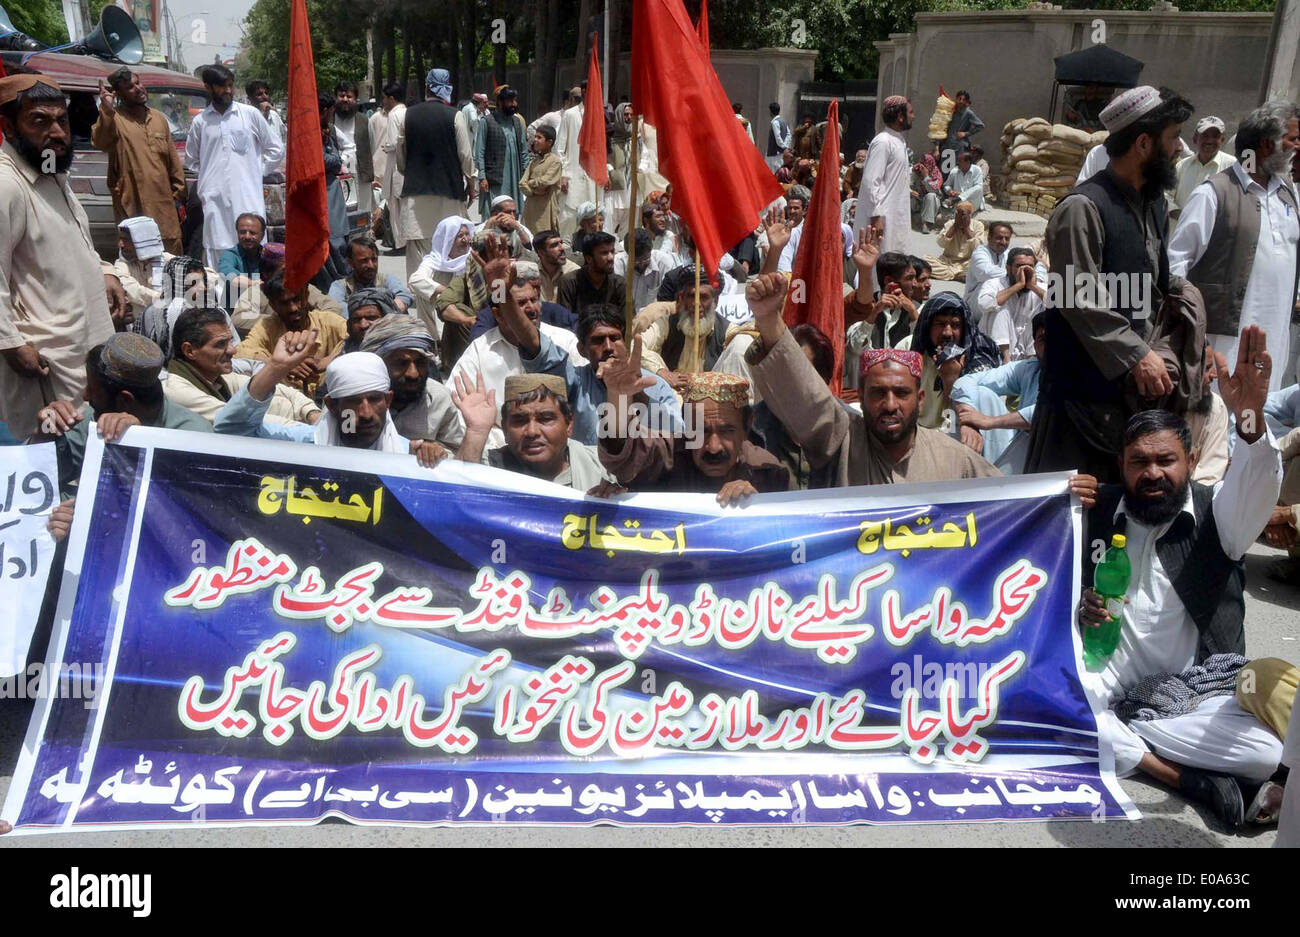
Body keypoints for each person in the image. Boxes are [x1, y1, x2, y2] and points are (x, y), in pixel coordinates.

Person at [1079, 331, 1284, 830]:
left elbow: (1258, 487)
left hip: (1195, 693)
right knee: (1058, 701)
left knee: (1261, 753)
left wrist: (1250, 423)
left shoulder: (1221, 515)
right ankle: (1180, 776)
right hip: (1109, 680)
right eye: (1139, 463)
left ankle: (1138, 742)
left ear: (1190, 463)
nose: (1153, 474)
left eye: (1165, 461)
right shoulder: (1097, 506)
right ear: (1121, 467)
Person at [1026, 86, 1192, 482]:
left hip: (1128, 402)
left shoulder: (1151, 204)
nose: (1180, 149)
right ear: (1143, 143)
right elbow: (1076, 297)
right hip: (1079, 405)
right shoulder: (1082, 208)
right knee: (1075, 518)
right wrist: (1136, 355)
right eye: (1172, 139)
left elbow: (1152, 286)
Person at [745, 273, 1000, 485]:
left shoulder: (953, 458)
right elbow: (804, 392)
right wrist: (769, 319)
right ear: (861, 397)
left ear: (920, 399)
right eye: (878, 393)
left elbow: (1011, 504)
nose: (890, 405)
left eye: (902, 393)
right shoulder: (842, 441)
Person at [0, 72, 119, 441]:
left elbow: (74, 238)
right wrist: (11, 344)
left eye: (62, 120)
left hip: (87, 344)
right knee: (56, 450)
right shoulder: (7, 185)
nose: (56, 132)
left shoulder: (50, 171)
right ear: (7, 125)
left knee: (90, 440)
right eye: (40, 121)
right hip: (49, 359)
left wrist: (106, 271)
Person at [1169, 101, 1299, 395]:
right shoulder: (1214, 193)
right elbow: (1176, 265)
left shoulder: (1288, 194)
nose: (1297, 147)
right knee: (1220, 419)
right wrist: (1189, 333)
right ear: (1267, 144)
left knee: (1262, 417)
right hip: (1223, 341)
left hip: (1275, 336)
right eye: (1293, 139)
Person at [216, 330, 444, 463]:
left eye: (374, 399)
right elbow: (230, 432)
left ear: (388, 401)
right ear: (332, 405)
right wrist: (276, 368)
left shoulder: (409, 456)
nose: (365, 413)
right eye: (353, 402)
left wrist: (435, 458)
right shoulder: (302, 444)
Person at [34, 333, 211, 496]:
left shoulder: (195, 438)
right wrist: (45, 434)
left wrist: (138, 441)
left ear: (125, 400)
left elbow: (182, 509)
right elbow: (47, 480)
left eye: (92, 389)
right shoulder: (93, 419)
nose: (85, 396)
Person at [598, 360, 792, 503]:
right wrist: (618, 399)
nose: (714, 447)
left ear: (747, 426)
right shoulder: (667, 455)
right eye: (701, 431)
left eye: (727, 431)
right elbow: (620, 452)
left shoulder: (768, 472)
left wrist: (757, 506)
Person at [447, 257, 585, 436]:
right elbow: (455, 406)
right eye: (520, 303)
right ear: (498, 314)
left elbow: (585, 395)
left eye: (534, 300)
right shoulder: (480, 351)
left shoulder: (564, 341)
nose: (531, 308)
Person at [396, 67, 474, 336]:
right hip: (449, 202)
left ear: (425, 88)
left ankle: (428, 336)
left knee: (420, 273)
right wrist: (472, 183)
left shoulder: (407, 115)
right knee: (455, 267)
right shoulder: (456, 115)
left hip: (415, 205)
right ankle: (457, 329)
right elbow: (466, 156)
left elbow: (401, 161)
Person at [185, 65, 283, 271]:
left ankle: (255, 298)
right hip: (215, 201)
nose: (228, 90)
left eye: (230, 85)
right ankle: (223, 300)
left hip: (247, 197)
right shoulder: (200, 122)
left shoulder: (249, 115)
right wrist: (211, 179)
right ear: (208, 88)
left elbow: (275, 148)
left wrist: (257, 171)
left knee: (252, 245)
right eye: (222, 86)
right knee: (217, 249)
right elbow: (192, 160)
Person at [452, 371, 614, 492]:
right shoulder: (490, 466)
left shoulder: (600, 467)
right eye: (520, 420)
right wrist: (476, 432)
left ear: (569, 424)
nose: (531, 432)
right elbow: (455, 497)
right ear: (505, 428)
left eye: (546, 419)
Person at [164, 307, 318, 426]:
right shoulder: (177, 390)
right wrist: (277, 366)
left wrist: (311, 412)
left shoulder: (220, 378)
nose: (233, 350)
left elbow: (284, 392)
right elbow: (241, 421)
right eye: (220, 344)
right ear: (190, 351)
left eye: (230, 341)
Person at [91, 66, 187, 254]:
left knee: (170, 264)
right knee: (139, 264)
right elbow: (100, 142)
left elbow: (173, 162)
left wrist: (178, 196)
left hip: (165, 208)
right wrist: (107, 109)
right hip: (132, 208)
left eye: (138, 83)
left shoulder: (158, 118)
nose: (138, 88)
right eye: (130, 87)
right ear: (119, 93)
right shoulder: (115, 119)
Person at [953, 312, 1046, 473]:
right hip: (1020, 454)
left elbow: (1045, 412)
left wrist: (989, 421)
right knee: (980, 394)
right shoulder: (1030, 367)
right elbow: (966, 381)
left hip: (1053, 458)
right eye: (1043, 340)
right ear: (1035, 345)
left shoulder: (1079, 373)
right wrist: (968, 421)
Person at [236, 270, 348, 397]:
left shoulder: (328, 322)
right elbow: (240, 353)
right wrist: (282, 365)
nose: (293, 308)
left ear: (306, 295)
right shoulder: (267, 327)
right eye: (284, 303)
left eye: (297, 299)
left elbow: (360, 341)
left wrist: (326, 362)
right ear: (273, 305)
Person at [359, 314, 463, 449]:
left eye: (420, 362)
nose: (413, 374)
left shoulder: (438, 398)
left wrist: (434, 452)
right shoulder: (351, 397)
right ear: (378, 364)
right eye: (401, 363)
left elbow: (456, 455)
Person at [855, 95, 913, 256]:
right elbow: (871, 181)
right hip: (882, 216)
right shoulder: (883, 141)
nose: (913, 116)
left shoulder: (899, 141)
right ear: (900, 117)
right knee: (878, 262)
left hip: (896, 214)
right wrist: (876, 215)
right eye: (910, 112)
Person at [976, 246, 1046, 363]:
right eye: (1019, 266)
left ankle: (1032, 361)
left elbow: (1058, 306)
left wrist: (1032, 286)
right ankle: (1005, 360)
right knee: (999, 307)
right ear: (1008, 269)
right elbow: (984, 304)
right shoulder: (994, 283)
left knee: (1041, 315)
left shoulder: (1039, 287)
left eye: (1030, 266)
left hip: (1025, 347)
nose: (1025, 269)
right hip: (994, 347)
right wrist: (1017, 286)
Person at [554, 82, 600, 237]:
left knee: (593, 214)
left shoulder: (599, 114)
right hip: (573, 173)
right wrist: (564, 174)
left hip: (593, 175)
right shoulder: (570, 114)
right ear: (584, 92)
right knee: (569, 216)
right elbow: (560, 147)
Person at [475, 86, 529, 212]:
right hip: (494, 177)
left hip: (515, 176)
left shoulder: (516, 122)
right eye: (510, 101)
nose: (514, 104)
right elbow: (480, 152)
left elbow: (523, 150)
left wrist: (526, 173)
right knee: (495, 210)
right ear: (500, 102)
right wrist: (482, 177)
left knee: (513, 210)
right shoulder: (486, 122)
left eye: (515, 101)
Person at [1171, 116, 1236, 215]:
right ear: (1195, 139)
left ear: (1222, 140)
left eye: (1215, 136)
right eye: (1205, 135)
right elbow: (1166, 195)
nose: (1209, 141)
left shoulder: (1233, 166)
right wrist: (1177, 213)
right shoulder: (1181, 166)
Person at [328, 235, 413, 311]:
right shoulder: (340, 286)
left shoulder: (387, 280)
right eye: (364, 261)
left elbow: (405, 296)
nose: (371, 265)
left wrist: (384, 313)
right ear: (351, 263)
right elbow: (336, 307)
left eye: (374, 259)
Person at [556, 231, 625, 320]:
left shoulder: (620, 284)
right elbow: (564, 321)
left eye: (612, 252)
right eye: (604, 253)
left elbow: (625, 322)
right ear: (589, 258)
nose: (611, 258)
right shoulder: (569, 282)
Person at [332, 80, 373, 213]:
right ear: (335, 97)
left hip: (360, 171)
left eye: (349, 97)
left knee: (362, 210)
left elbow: (371, 144)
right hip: (334, 171)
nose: (345, 99)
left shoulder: (364, 120)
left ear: (356, 99)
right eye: (341, 96)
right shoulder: (329, 119)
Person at [615, 229, 677, 312]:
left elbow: (667, 301)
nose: (641, 264)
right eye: (636, 261)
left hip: (655, 317)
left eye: (645, 259)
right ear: (627, 254)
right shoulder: (618, 263)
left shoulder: (664, 263)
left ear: (651, 251)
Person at [377, 81, 407, 244]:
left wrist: (387, 147)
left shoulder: (395, 115)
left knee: (396, 207)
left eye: (384, 98)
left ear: (391, 98)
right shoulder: (407, 112)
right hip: (404, 167)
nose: (382, 102)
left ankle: (401, 241)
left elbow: (396, 143)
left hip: (397, 167)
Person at [217, 212, 266, 310]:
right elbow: (232, 278)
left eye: (252, 233)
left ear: (262, 235)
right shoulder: (229, 255)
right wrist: (259, 284)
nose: (247, 237)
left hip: (261, 309)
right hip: (236, 313)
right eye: (242, 232)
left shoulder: (268, 255)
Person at [925, 202, 985, 281]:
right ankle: (958, 275)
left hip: (967, 263)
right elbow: (940, 243)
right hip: (947, 262)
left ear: (970, 215)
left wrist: (966, 228)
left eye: (963, 215)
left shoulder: (978, 225)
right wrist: (955, 227)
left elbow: (978, 248)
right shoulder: (950, 224)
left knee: (982, 265)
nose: (960, 217)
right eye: (958, 214)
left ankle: (948, 274)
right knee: (925, 261)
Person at [519, 124, 562, 234]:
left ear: (549, 142)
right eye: (535, 137)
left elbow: (546, 181)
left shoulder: (555, 161)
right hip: (530, 209)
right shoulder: (534, 161)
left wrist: (531, 182)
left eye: (539, 137)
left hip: (545, 210)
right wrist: (533, 192)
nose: (535, 140)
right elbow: (522, 183)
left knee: (545, 238)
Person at [964, 221, 1013, 305]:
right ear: (989, 238)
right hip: (974, 300)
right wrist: (1014, 274)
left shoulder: (1008, 254)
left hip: (998, 297)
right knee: (991, 283)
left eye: (1007, 239)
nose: (1003, 242)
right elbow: (986, 273)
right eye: (999, 238)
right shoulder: (980, 252)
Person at [340, 287, 400, 353]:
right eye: (356, 319)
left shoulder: (404, 349)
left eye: (371, 318)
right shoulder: (345, 349)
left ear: (388, 320)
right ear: (349, 325)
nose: (363, 325)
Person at [533, 229, 580, 303]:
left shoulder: (574, 273)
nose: (562, 248)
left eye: (561, 243)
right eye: (554, 245)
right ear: (541, 253)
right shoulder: (532, 273)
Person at [910, 153, 945, 235]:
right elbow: (908, 185)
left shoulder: (937, 174)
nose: (921, 167)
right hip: (918, 200)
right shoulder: (915, 171)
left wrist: (926, 177)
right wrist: (911, 192)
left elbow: (933, 190)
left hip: (933, 202)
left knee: (930, 196)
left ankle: (925, 224)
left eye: (924, 164)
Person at [245, 79, 285, 149]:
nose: (265, 97)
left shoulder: (274, 116)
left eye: (266, 93)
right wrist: (262, 114)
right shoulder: (245, 117)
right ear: (250, 99)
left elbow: (284, 138)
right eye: (259, 94)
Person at [943, 90, 984, 158]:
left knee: (959, 167)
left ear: (966, 101)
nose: (961, 101)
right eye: (959, 99)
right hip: (948, 145)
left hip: (960, 146)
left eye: (964, 100)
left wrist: (965, 134)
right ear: (956, 99)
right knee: (946, 167)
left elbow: (980, 126)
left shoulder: (968, 113)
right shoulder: (951, 110)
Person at [767, 101, 792, 173]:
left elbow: (777, 137)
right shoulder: (783, 121)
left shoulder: (774, 122)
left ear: (771, 112)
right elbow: (788, 134)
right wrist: (786, 145)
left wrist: (783, 146)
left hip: (774, 153)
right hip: (781, 153)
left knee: (774, 172)